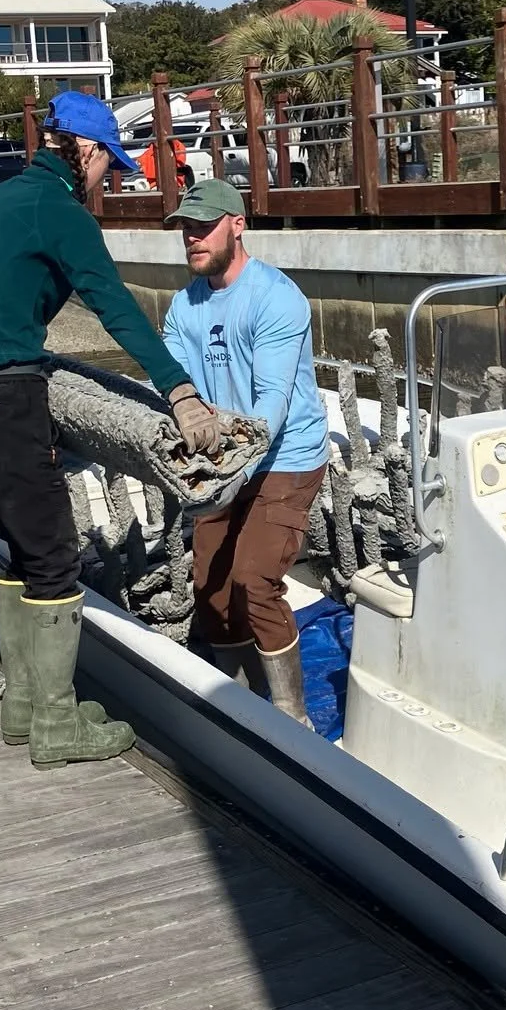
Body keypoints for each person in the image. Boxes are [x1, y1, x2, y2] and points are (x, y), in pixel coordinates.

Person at [0, 90, 221, 771]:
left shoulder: (1, 199)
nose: (109, 180)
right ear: (86, 151)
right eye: (110, 166)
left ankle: (25, 705)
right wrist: (179, 393)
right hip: (4, 405)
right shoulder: (60, 213)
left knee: (21, 549)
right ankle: (56, 725)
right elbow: (116, 309)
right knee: (57, 560)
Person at [161, 178, 329, 724]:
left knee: (254, 581)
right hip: (223, 465)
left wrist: (235, 446)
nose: (192, 238)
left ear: (237, 225)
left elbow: (272, 403)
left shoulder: (276, 298)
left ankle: (292, 717)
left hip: (286, 458)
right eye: (186, 229)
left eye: (203, 227)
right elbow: (170, 380)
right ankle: (239, 706)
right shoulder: (183, 307)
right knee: (210, 588)